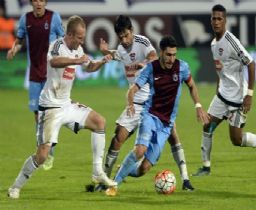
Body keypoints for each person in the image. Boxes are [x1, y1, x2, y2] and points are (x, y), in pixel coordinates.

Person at [7, 15, 117, 199]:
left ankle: (97, 172)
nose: (82, 41)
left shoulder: (78, 49)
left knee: (99, 122)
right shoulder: (58, 45)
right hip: (50, 107)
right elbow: (54, 62)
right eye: (80, 37)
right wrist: (76, 61)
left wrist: (101, 62)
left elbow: (89, 68)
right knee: (42, 155)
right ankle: (15, 187)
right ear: (71, 35)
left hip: (67, 104)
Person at [97, 15, 195, 191]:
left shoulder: (142, 42)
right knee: (117, 138)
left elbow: (152, 56)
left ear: (132, 31)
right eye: (120, 37)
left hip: (153, 102)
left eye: (126, 35)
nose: (124, 40)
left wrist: (143, 63)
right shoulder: (121, 47)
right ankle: (105, 180)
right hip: (134, 103)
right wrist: (106, 51)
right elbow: (118, 55)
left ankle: (186, 179)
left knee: (173, 137)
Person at [105, 35, 210, 196]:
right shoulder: (150, 69)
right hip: (149, 115)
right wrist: (131, 103)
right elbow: (133, 89)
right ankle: (114, 185)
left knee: (143, 169)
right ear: (161, 52)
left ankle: (123, 169)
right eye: (168, 55)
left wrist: (198, 105)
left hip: (166, 124)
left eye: (174, 55)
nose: (171, 59)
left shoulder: (182, 67)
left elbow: (192, 85)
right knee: (140, 150)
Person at [192, 4, 256, 177]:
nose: (216, 22)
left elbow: (251, 64)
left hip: (238, 99)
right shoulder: (213, 44)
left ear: (225, 20)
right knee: (207, 126)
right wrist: (218, 88)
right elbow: (220, 68)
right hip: (222, 96)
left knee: (236, 140)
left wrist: (250, 95)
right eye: (213, 18)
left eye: (219, 18)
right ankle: (206, 167)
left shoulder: (230, 40)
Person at [6, 0, 65, 170]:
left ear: (45, 2)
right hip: (33, 75)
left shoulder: (54, 18)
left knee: (49, 113)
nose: (39, 3)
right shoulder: (26, 19)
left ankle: (48, 150)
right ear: (32, 2)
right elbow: (19, 40)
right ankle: (45, 151)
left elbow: (62, 42)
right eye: (35, 0)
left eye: (42, 0)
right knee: (37, 116)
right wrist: (13, 49)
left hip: (51, 75)